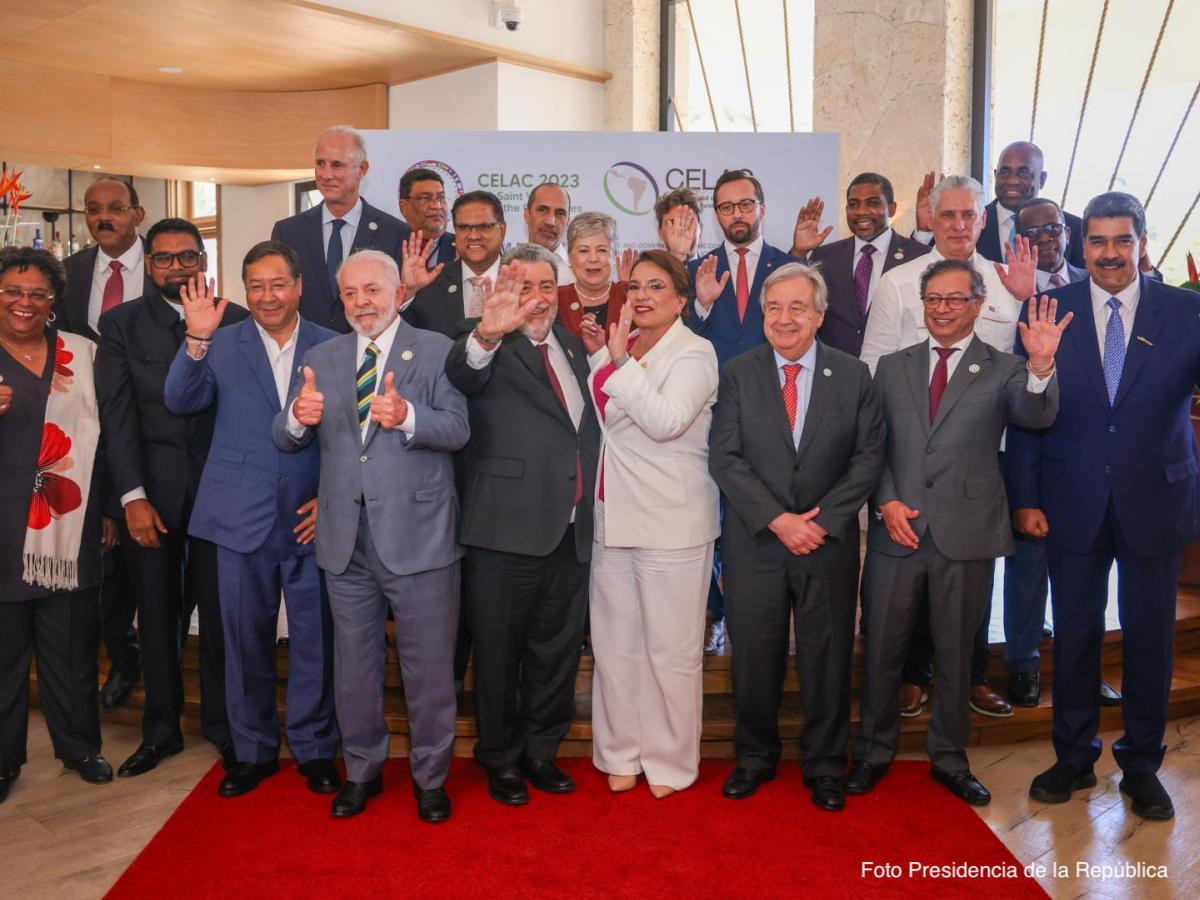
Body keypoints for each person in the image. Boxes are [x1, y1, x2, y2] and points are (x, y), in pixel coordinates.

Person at [1008, 192, 1200, 821]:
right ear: (1079, 245)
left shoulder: (1186, 311)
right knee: (1076, 634)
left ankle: (1141, 764)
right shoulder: (1047, 309)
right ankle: (1073, 755)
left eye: (1122, 240)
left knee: (1149, 639)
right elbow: (1026, 415)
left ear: (1143, 242)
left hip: (1156, 498)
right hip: (1070, 500)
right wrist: (1027, 497)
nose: (1110, 254)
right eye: (1097, 241)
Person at [851, 258, 1067, 807]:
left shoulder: (1003, 367)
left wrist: (1041, 364)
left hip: (966, 532)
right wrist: (886, 501)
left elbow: (1034, 416)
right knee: (883, 650)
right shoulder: (892, 367)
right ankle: (873, 752)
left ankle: (949, 758)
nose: (942, 309)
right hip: (894, 529)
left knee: (954, 655)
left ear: (977, 305)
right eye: (933, 300)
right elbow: (871, 445)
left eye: (954, 300)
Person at [273, 249, 468, 822]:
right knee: (354, 668)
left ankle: (430, 779)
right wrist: (296, 418)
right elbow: (286, 437)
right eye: (351, 293)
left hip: (421, 538)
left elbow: (458, 429)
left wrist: (408, 416)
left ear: (396, 292)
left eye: (372, 291)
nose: (362, 303)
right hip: (343, 541)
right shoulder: (323, 357)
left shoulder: (435, 350)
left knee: (428, 669)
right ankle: (362, 771)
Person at [163, 242, 340, 798]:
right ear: (245, 290)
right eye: (256, 286)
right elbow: (180, 401)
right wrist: (195, 338)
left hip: (312, 521)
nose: (267, 296)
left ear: (299, 285)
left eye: (278, 284)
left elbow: (351, 439)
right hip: (238, 518)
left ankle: (314, 748)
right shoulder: (219, 341)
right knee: (243, 642)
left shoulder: (333, 346)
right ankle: (253, 750)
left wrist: (332, 499)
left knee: (315, 642)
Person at [709, 263, 885, 811]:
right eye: (774, 308)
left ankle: (826, 765)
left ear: (819, 315)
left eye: (796, 308)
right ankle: (754, 758)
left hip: (826, 543)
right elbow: (726, 457)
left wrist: (822, 521)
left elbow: (868, 458)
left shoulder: (854, 375)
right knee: (754, 658)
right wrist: (779, 520)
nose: (784, 319)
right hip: (757, 541)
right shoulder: (738, 373)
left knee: (826, 658)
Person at [862, 174, 1037, 719]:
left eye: (969, 216)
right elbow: (872, 368)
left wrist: (1029, 298)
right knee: (914, 557)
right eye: (948, 216)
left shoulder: (1008, 281)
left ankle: (971, 675)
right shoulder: (897, 282)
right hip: (915, 449)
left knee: (974, 569)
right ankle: (914, 675)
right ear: (930, 220)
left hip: (991, 450)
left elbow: (1029, 361)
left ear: (983, 220)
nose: (960, 226)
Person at [444, 244, 600, 806]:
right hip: (504, 533)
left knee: (555, 654)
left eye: (544, 287)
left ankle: (541, 751)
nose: (535, 299)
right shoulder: (486, 339)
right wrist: (487, 333)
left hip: (571, 530)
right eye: (524, 286)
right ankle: (502, 758)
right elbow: (463, 373)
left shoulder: (576, 347)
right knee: (496, 655)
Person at [96, 218, 247, 777]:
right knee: (156, 619)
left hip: (222, 498)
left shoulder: (237, 320)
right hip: (150, 498)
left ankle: (224, 728)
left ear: (203, 258)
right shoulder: (121, 325)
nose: (178, 267)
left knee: (220, 620)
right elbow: (117, 417)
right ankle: (161, 731)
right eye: (164, 258)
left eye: (188, 256)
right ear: (149, 264)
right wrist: (131, 496)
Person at [581, 249, 720, 798]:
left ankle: (669, 760)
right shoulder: (627, 347)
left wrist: (615, 364)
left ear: (682, 300)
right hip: (612, 516)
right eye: (634, 285)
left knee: (671, 651)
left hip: (671, 521)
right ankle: (620, 752)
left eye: (656, 286)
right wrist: (606, 359)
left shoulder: (696, 353)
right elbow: (614, 423)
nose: (640, 295)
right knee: (615, 648)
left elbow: (663, 422)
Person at [0, 248, 112, 803]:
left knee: (71, 651)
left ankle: (80, 748)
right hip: (1, 535)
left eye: (38, 293)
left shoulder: (83, 355)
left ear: (53, 302)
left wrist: (113, 508)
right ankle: (2, 762)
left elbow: (110, 439)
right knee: (4, 658)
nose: (25, 302)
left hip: (69, 532)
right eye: (13, 291)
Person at [689, 169, 798, 654]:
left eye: (745, 204)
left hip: (772, 415)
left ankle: (754, 619)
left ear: (762, 208)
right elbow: (680, 338)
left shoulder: (789, 267)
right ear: (716, 215)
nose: (737, 213)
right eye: (727, 206)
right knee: (706, 519)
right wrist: (703, 306)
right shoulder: (698, 268)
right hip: (707, 415)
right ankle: (714, 611)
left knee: (756, 518)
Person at [59, 176, 148, 711]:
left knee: (147, 564)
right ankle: (123, 656)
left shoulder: (165, 264)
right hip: (85, 431)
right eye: (94, 210)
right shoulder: (68, 275)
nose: (103, 217)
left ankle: (151, 659)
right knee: (101, 559)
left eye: (114, 208)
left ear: (137, 213)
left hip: (147, 431)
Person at [1002, 196, 1088, 707]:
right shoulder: (1014, 299)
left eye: (1053, 228)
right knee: (1028, 571)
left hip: (1089, 466)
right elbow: (1020, 403)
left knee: (1083, 577)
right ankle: (1023, 663)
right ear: (1019, 241)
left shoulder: (1094, 286)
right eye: (1032, 233)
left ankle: (1081, 669)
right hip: (1034, 450)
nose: (1045, 238)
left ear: (1067, 233)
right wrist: (1025, 492)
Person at [271, 125, 410, 334]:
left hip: (369, 355)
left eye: (337, 165)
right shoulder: (288, 232)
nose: (326, 175)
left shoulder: (395, 233)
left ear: (362, 170)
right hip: (305, 356)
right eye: (320, 164)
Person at [789, 173, 930, 357]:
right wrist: (799, 253)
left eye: (872, 203)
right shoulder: (825, 255)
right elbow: (795, 300)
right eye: (853, 205)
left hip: (895, 373)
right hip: (836, 373)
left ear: (892, 208)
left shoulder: (918, 255)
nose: (861, 211)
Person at [912, 142, 1085, 267]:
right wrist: (924, 231)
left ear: (1042, 179)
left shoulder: (1073, 228)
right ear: (996, 175)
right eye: (1005, 172)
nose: (1012, 180)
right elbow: (920, 268)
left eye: (1023, 173)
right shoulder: (971, 221)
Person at [403, 191, 507, 338]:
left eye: (483, 227)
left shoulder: (523, 282)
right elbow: (405, 340)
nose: (473, 236)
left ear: (502, 230)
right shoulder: (429, 282)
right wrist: (408, 294)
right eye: (464, 227)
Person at [557, 212, 626, 337]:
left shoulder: (629, 297)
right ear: (569, 258)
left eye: (602, 250)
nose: (593, 259)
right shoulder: (555, 299)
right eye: (583, 250)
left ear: (614, 256)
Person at [398, 168, 455, 269]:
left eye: (441, 198)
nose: (437, 206)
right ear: (404, 207)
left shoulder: (461, 249)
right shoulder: (389, 245)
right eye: (425, 198)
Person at [524, 183, 573, 284]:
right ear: (527, 215)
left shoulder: (580, 273)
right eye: (542, 210)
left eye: (560, 213)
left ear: (568, 222)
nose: (550, 222)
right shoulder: (506, 267)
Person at [653, 187, 703, 262]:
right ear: (660, 233)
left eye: (688, 221)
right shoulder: (648, 272)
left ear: (701, 229)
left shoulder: (718, 271)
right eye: (673, 223)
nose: (681, 229)